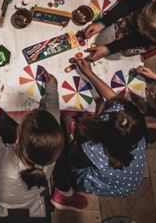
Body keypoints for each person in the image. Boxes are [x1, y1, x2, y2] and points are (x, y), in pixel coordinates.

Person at [52, 59, 147, 206]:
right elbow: (115, 99)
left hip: (103, 184)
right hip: (127, 180)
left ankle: (65, 194)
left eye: (103, 116)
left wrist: (72, 140)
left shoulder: (92, 150)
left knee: (59, 157)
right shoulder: (135, 131)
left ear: (101, 134)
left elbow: (71, 164)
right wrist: (90, 74)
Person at [0, 70, 64, 219]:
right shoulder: (52, 151)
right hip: (27, 199)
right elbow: (54, 116)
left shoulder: (2, 158)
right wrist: (52, 89)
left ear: (17, 140)